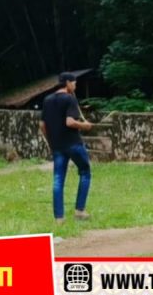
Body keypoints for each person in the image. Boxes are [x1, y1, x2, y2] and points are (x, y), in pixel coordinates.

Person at [39, 72, 93, 224]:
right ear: (68, 83)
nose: (75, 86)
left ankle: (59, 218)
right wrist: (85, 126)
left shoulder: (47, 99)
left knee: (58, 180)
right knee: (85, 172)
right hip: (73, 144)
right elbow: (69, 122)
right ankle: (79, 210)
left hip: (57, 146)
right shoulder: (69, 99)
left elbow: (42, 125)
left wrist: (50, 141)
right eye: (74, 83)